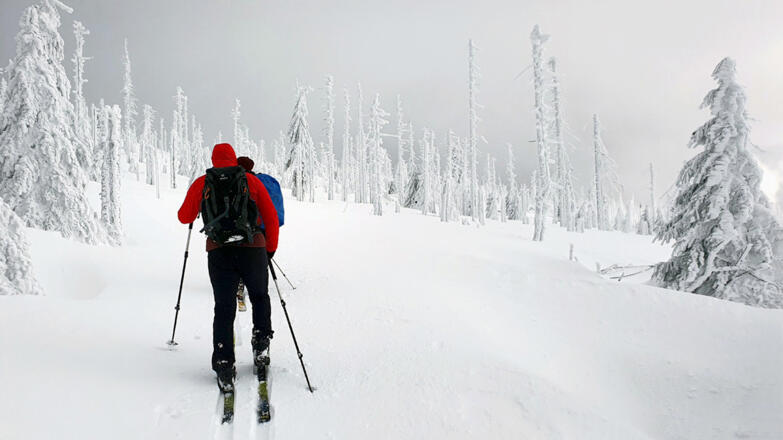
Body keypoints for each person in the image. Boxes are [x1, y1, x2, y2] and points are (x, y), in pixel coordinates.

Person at [177, 143, 279, 392]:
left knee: (223, 308)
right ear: (234, 159)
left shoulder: (204, 182)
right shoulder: (251, 181)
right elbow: (271, 217)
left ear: (213, 159)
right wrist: (269, 250)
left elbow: (184, 216)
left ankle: (224, 363)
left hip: (219, 252)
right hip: (253, 249)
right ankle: (261, 347)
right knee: (259, 296)